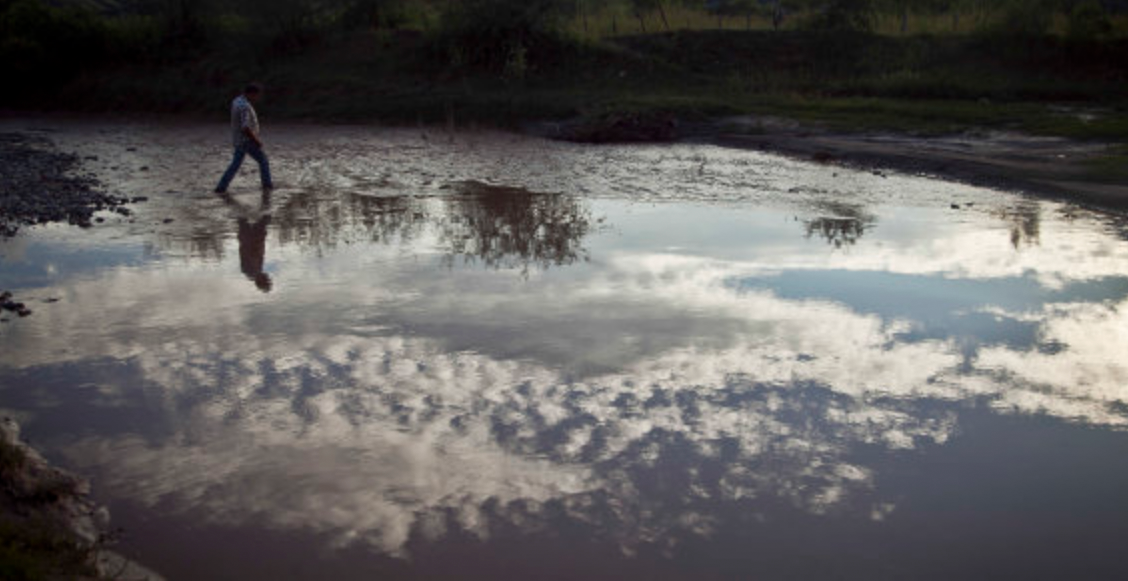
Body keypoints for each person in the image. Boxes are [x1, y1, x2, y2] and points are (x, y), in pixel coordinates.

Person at [215, 83, 273, 194]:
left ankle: (221, 187)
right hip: (246, 140)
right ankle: (267, 186)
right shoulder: (245, 106)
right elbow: (245, 127)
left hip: (238, 139)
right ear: (251, 94)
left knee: (235, 164)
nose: (258, 98)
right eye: (257, 95)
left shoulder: (237, 101)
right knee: (263, 160)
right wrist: (256, 140)